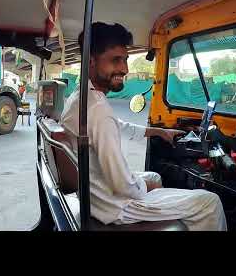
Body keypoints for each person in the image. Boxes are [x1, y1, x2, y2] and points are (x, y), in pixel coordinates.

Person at [60, 22, 227, 231]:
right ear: (91, 61)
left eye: (126, 59)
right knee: (209, 202)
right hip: (114, 207)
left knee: (154, 176)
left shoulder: (81, 97)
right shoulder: (97, 110)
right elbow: (122, 185)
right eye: (115, 60)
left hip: (95, 194)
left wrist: (159, 131)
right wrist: (145, 188)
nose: (125, 68)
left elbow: (118, 126)